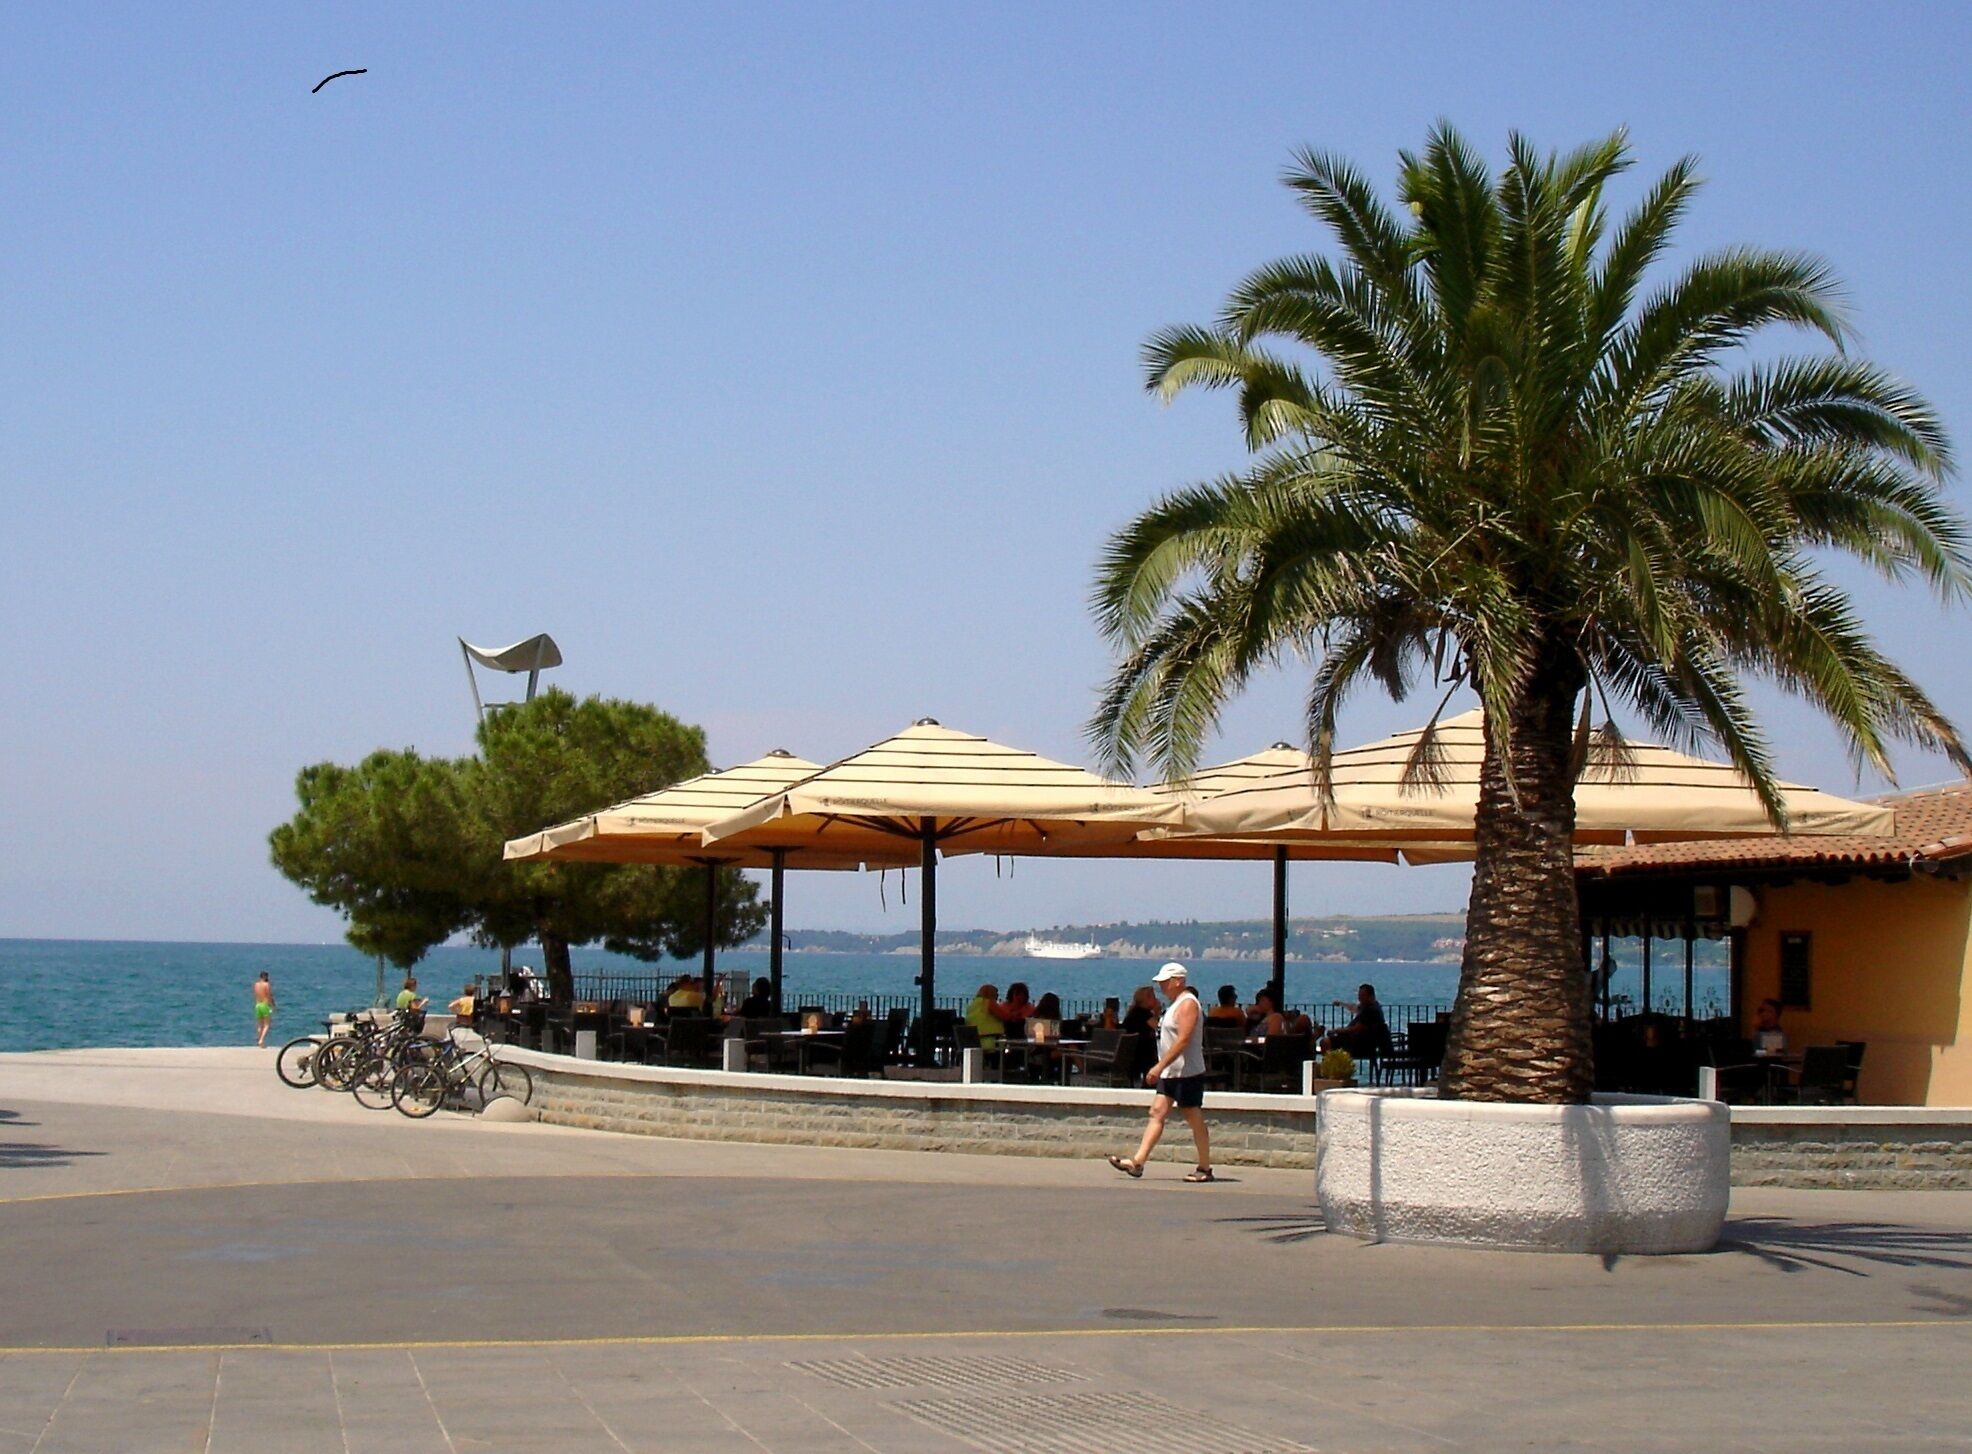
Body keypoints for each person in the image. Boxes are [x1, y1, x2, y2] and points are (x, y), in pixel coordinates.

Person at [1107, 963, 1214, 1183]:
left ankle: (1205, 1167)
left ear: (1178, 981)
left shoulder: (1188, 1004)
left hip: (1187, 1072)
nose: (1162, 986)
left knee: (1193, 1116)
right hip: (1171, 1073)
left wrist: (1159, 1065)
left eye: (1165, 982)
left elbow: (1183, 1040)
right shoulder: (1175, 1005)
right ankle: (1137, 1162)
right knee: (1156, 1112)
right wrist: (1163, 1067)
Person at [1323, 983, 1389, 1056]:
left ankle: (1329, 1062)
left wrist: (1337, 1030)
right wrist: (1341, 1004)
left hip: (1360, 1045)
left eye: (1362, 996)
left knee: (1325, 1042)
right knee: (1330, 1041)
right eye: (1359, 996)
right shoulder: (1371, 1006)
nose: (1360, 998)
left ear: (1371, 996)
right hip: (1359, 1042)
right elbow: (1355, 1008)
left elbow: (1356, 1029)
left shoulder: (1371, 1011)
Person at [1121, 985, 1161, 1076]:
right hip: (1141, 1054)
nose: (1156, 1000)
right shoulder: (1143, 1013)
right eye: (1153, 997)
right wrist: (1157, 1011)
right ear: (1146, 999)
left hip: (1132, 1052)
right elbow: (1158, 1027)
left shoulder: (1134, 1012)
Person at [964, 983, 1007, 1050]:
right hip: (991, 1041)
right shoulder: (988, 1003)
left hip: (974, 1041)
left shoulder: (972, 1005)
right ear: (991, 994)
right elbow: (1005, 1016)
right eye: (996, 993)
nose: (997, 996)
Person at [252, 971, 275, 1047]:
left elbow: (255, 995)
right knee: (267, 1025)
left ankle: (259, 1041)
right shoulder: (266, 985)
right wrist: (273, 1005)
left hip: (257, 1005)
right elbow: (269, 995)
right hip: (265, 1005)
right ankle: (261, 1040)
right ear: (265, 977)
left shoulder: (256, 985)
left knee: (259, 1024)